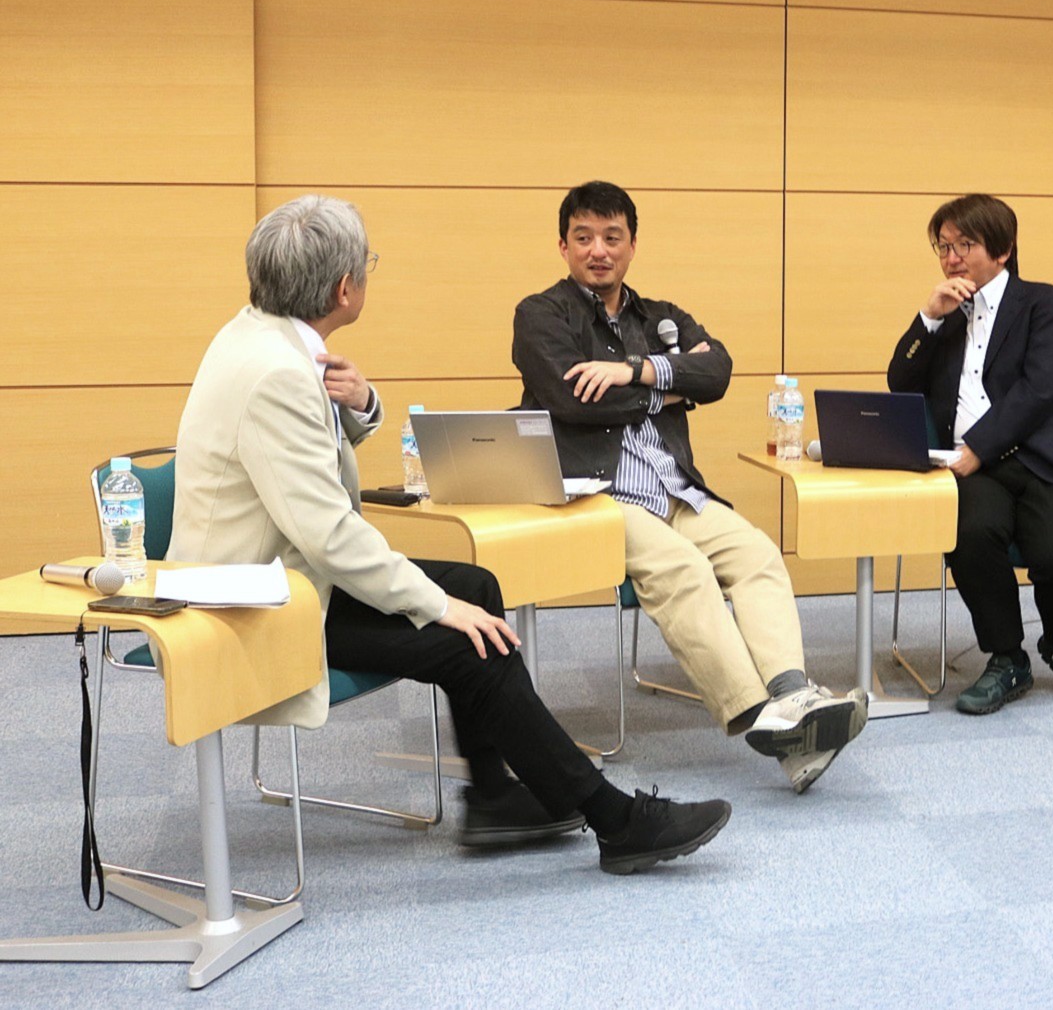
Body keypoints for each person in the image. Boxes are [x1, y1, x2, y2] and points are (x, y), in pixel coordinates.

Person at [170, 195, 728, 874]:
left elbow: (302, 466)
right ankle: (614, 819)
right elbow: (330, 536)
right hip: (257, 605)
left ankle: (494, 795)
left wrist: (363, 405)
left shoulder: (259, 338)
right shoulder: (278, 375)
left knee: (477, 586)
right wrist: (436, 607)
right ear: (345, 289)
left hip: (283, 573)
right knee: (467, 635)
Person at [512, 181, 866, 793]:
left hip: (674, 489)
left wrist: (632, 369)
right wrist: (668, 389)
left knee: (757, 554)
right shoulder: (541, 315)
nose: (599, 250)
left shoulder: (660, 317)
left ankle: (791, 695)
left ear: (632, 244)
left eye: (612, 237)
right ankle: (765, 718)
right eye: (584, 238)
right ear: (563, 246)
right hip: (598, 496)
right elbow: (571, 401)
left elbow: (718, 371)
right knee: (683, 570)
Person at [887, 194, 1053, 715]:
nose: (951, 258)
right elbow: (900, 382)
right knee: (970, 536)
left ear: (1003, 250)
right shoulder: (947, 315)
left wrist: (979, 449)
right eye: (944, 247)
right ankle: (1007, 658)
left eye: (964, 245)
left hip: (1044, 458)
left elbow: (1039, 389)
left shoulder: (1046, 304)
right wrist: (929, 318)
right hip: (972, 472)